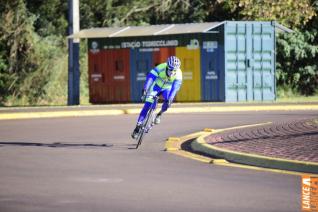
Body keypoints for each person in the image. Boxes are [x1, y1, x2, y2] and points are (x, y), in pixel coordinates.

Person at [131, 56, 182, 139]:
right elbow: (150, 78)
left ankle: (159, 114)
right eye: (170, 69)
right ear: (167, 66)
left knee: (168, 102)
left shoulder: (179, 75)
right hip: (156, 86)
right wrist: (145, 89)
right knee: (147, 105)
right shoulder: (160, 67)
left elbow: (175, 89)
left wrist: (170, 99)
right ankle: (137, 127)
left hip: (167, 89)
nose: (172, 72)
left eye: (174, 70)